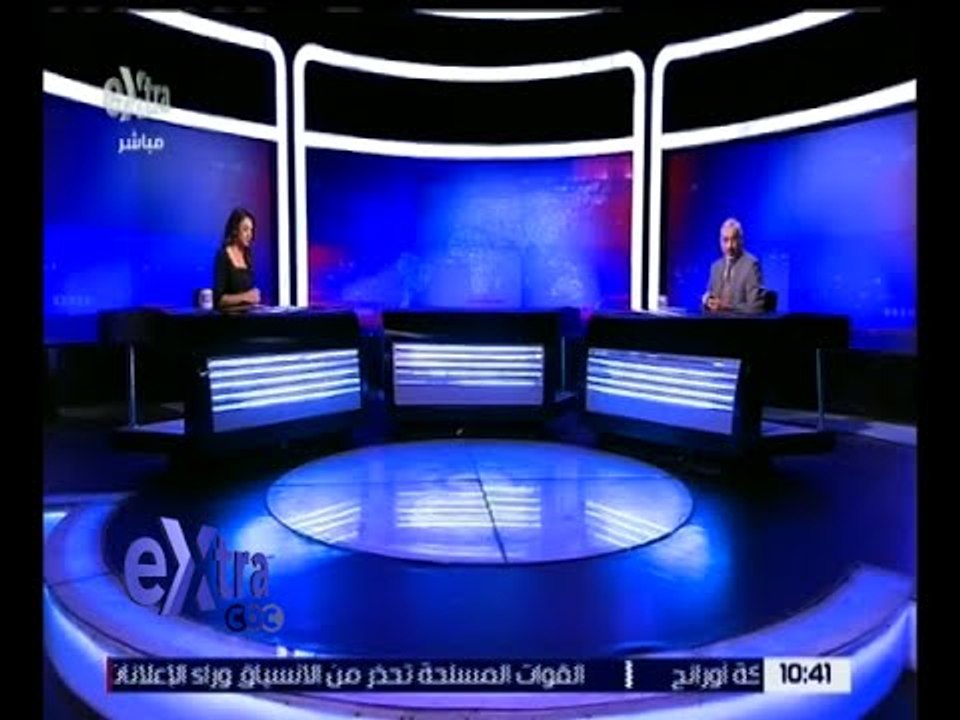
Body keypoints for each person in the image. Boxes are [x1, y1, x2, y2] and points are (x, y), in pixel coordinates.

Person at [701, 218, 765, 314]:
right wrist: (707, 302)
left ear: (741, 240)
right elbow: (710, 302)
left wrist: (725, 307)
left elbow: (756, 306)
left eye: (734, 239)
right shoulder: (716, 267)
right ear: (720, 241)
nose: (729, 246)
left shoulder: (751, 265)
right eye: (725, 240)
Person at [214, 207, 261, 309]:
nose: (250, 235)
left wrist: (254, 295)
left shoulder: (248, 255)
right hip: (230, 317)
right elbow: (219, 299)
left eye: (251, 230)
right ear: (235, 230)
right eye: (245, 229)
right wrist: (246, 297)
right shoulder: (223, 255)